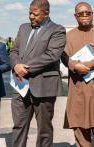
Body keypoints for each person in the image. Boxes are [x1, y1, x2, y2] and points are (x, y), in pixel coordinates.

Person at [9, 0, 66, 146]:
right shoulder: (23, 28)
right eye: (29, 13)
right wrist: (16, 65)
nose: (31, 17)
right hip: (20, 86)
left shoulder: (57, 30)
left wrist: (24, 68)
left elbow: (51, 55)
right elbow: (14, 50)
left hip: (43, 87)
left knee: (44, 130)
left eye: (35, 14)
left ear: (46, 13)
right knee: (19, 126)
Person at [61, 2, 94, 147]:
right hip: (78, 89)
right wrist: (74, 66)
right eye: (81, 13)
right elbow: (64, 56)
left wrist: (87, 65)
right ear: (75, 16)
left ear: (92, 14)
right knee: (80, 130)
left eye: (88, 12)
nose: (85, 16)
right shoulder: (69, 36)